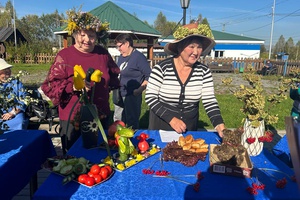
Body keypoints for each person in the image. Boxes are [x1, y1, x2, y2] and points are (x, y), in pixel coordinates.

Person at [41, 8, 120, 154]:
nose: (87, 40)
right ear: (75, 34)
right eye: (83, 35)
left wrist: (105, 86)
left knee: (101, 156)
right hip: (73, 119)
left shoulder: (102, 53)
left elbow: (114, 75)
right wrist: (73, 86)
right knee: (75, 158)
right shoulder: (64, 55)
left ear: (97, 36)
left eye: (91, 35)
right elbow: (49, 86)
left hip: (100, 115)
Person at [145, 23, 225, 137]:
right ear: (179, 47)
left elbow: (209, 100)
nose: (196, 52)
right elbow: (150, 97)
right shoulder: (162, 68)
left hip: (189, 128)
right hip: (162, 126)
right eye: (191, 46)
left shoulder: (204, 71)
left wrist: (219, 124)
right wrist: (171, 119)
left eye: (199, 47)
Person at [113, 33, 151, 129]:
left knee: (131, 121)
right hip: (119, 93)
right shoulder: (121, 57)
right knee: (118, 120)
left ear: (127, 43)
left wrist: (139, 90)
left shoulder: (139, 57)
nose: (118, 49)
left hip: (132, 94)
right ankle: (117, 140)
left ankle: (132, 140)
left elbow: (149, 76)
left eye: (119, 46)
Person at [0, 58, 29, 131]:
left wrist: (12, 113)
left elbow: (23, 99)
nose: (7, 73)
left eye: (8, 70)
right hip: (1, 114)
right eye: (4, 71)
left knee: (20, 122)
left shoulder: (16, 83)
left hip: (15, 112)